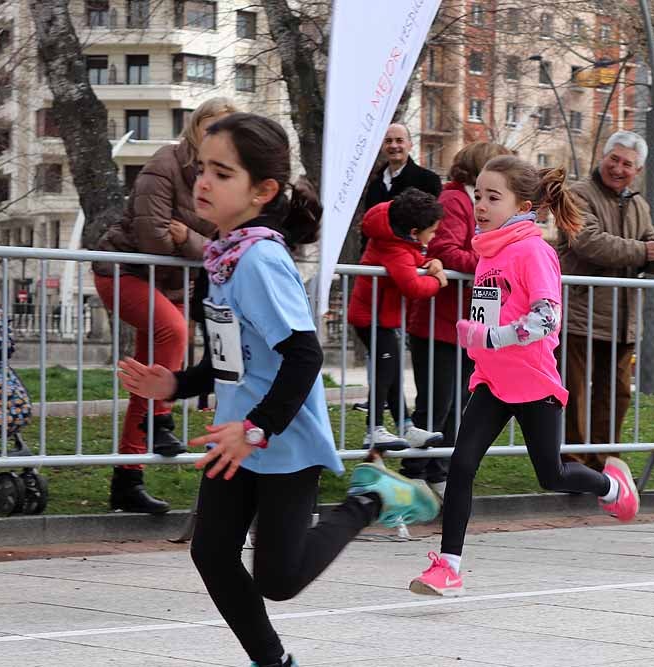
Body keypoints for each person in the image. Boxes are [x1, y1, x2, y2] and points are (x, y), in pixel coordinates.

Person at [117, 112, 440, 667]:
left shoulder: (259, 260)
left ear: (262, 191)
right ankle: (273, 662)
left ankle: (372, 498)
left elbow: (304, 354)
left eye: (222, 173)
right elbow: (228, 357)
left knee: (279, 579)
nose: (202, 182)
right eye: (201, 169)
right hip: (238, 436)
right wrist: (176, 381)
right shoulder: (222, 256)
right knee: (213, 554)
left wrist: (257, 428)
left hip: (279, 440)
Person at [408, 155, 639, 597]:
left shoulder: (534, 250)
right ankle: (448, 565)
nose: (481, 205)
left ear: (523, 205)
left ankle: (611, 486)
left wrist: (490, 337)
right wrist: (477, 339)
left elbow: (547, 318)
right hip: (492, 383)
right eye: (478, 195)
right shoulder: (486, 252)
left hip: (533, 383)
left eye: (494, 197)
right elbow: (490, 314)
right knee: (462, 464)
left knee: (550, 475)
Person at [92, 97, 238, 514]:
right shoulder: (166, 163)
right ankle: (160, 422)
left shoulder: (227, 177)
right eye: (211, 126)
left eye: (226, 129)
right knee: (172, 332)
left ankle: (127, 480)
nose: (217, 136)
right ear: (195, 128)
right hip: (123, 270)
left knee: (149, 376)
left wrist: (187, 237)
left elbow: (227, 245)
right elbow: (155, 237)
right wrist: (200, 242)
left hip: (173, 286)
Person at [557, 131, 654, 471]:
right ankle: (572, 463)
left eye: (628, 164)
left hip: (621, 320)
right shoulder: (577, 194)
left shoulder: (638, 204)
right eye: (615, 159)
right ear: (603, 157)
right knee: (575, 393)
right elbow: (589, 242)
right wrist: (646, 250)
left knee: (616, 395)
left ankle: (605, 461)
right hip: (579, 313)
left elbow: (648, 245)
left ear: (637, 171)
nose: (619, 168)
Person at [405, 141, 510, 497]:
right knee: (436, 403)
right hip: (439, 321)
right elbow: (445, 251)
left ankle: (439, 469)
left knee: (456, 404)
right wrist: (489, 266)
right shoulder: (453, 200)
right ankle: (415, 470)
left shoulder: (476, 205)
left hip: (464, 323)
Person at [347, 189, 448, 452]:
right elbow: (412, 286)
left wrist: (430, 261)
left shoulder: (396, 234)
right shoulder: (395, 249)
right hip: (372, 319)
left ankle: (404, 425)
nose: (434, 236)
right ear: (415, 231)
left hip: (379, 318)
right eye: (433, 232)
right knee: (385, 372)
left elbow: (415, 259)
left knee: (390, 371)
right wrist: (436, 280)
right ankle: (374, 429)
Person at [360, 123, 442, 252]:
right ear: (382, 146)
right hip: (375, 258)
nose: (393, 145)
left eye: (399, 140)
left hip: (409, 256)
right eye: (388, 141)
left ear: (410, 145)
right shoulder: (373, 182)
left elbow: (431, 225)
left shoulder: (429, 180)